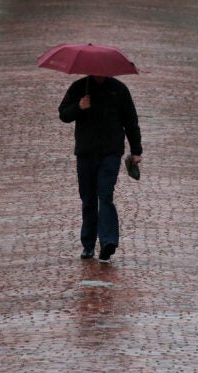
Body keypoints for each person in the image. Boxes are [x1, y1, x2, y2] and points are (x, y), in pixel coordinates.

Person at [59, 75, 142, 263]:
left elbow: (131, 120)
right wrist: (79, 107)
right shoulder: (79, 87)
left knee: (105, 195)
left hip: (111, 153)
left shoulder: (119, 89)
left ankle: (108, 242)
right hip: (86, 152)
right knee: (88, 199)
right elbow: (63, 114)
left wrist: (136, 151)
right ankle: (88, 244)